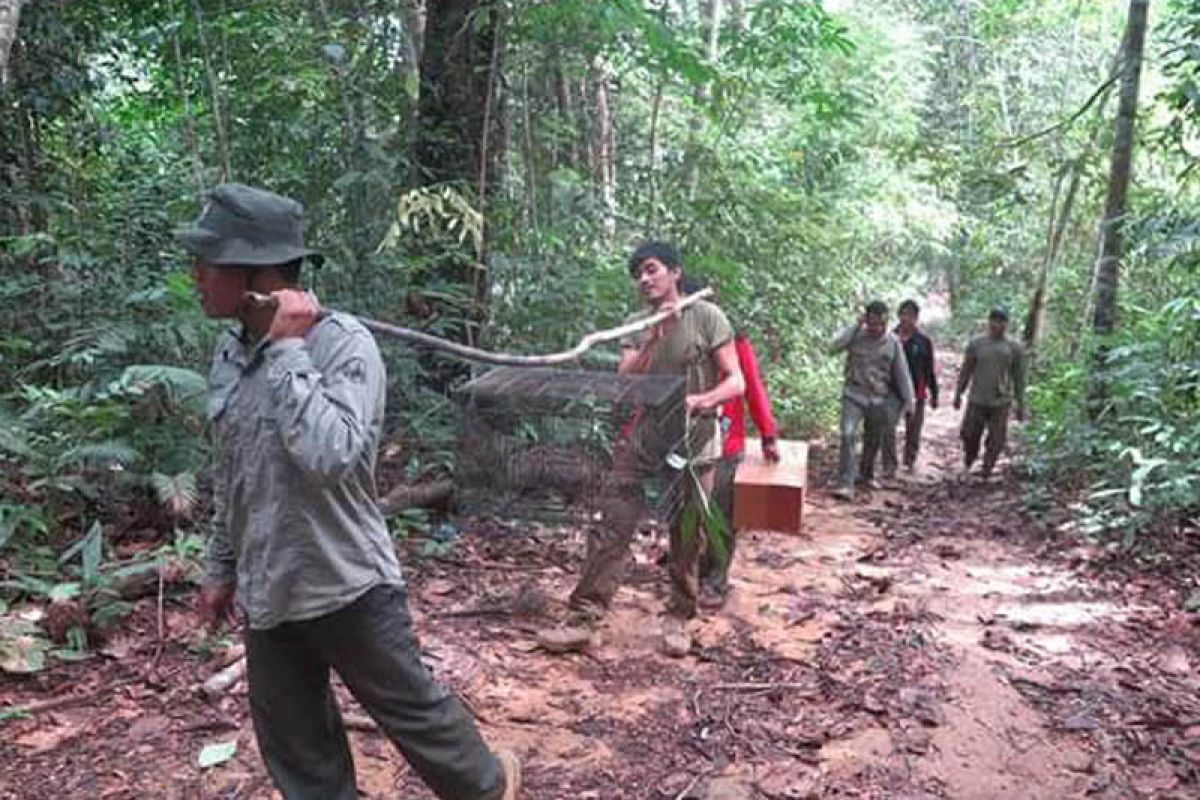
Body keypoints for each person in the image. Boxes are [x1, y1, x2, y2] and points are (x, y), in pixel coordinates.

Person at [182, 184, 519, 800]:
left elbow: (332, 456)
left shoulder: (342, 345)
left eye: (207, 262)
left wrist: (286, 347)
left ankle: (490, 788)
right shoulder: (229, 353)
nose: (196, 275)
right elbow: (233, 473)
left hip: (346, 583)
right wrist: (220, 567)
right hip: (269, 589)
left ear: (256, 273)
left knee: (417, 718)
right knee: (298, 750)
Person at [539, 242, 744, 657]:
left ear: (675, 273)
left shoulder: (706, 315)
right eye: (638, 274)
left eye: (651, 270)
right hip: (648, 434)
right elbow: (625, 381)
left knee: (688, 530)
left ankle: (680, 615)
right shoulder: (635, 324)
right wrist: (653, 336)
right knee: (614, 517)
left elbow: (735, 380)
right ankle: (584, 617)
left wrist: (702, 401)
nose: (644, 279)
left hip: (696, 438)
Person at [679, 279, 780, 608]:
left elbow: (753, 389)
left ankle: (716, 578)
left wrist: (768, 435)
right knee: (686, 509)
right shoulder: (675, 341)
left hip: (726, 441)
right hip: (683, 440)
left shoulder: (737, 344)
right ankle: (690, 570)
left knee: (722, 511)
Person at [829, 300, 915, 501]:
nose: (876, 328)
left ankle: (865, 475)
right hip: (853, 394)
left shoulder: (893, 343)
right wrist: (855, 326)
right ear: (866, 320)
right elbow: (833, 347)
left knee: (872, 440)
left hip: (877, 398)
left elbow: (902, 374)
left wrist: (909, 401)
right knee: (848, 434)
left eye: (880, 324)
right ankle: (845, 483)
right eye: (872, 323)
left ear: (886, 322)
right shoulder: (855, 335)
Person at [954, 306, 1027, 480]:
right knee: (969, 433)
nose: (997, 325)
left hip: (1000, 401)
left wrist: (1020, 403)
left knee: (996, 439)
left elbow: (1019, 377)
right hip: (977, 398)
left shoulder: (1014, 348)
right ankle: (969, 460)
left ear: (1006, 324)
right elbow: (966, 370)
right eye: (994, 320)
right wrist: (958, 392)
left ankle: (987, 469)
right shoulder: (976, 344)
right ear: (988, 322)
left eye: (1001, 321)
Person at [882, 299, 939, 474]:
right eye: (904, 314)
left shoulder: (923, 341)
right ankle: (889, 464)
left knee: (913, 428)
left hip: (917, 390)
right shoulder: (889, 338)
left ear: (916, 318)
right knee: (888, 425)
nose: (907, 319)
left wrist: (934, 393)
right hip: (893, 390)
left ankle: (909, 460)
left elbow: (929, 368)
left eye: (911, 315)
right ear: (899, 316)